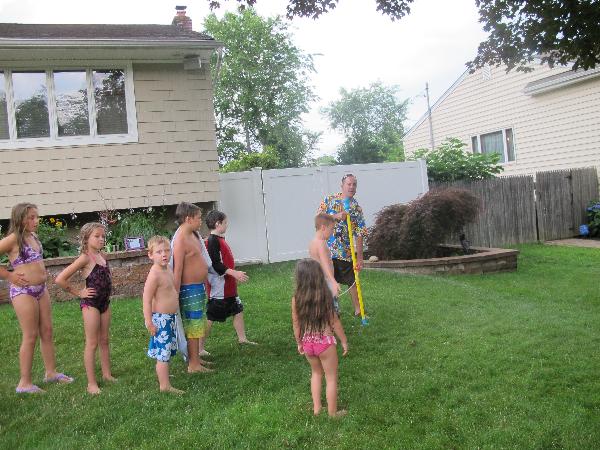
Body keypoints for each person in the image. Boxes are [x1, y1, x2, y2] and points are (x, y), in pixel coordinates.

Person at [0, 203, 73, 394]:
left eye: (36, 217)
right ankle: (24, 383)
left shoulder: (33, 236)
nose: (36, 221)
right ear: (20, 219)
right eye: (31, 218)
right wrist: (9, 276)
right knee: (30, 335)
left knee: (47, 331)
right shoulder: (13, 239)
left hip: (41, 290)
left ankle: (51, 372)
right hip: (23, 292)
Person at [56, 222, 116, 395]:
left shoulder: (102, 256)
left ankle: (107, 374)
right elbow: (60, 279)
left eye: (103, 236)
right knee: (92, 343)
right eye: (96, 236)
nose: (101, 239)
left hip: (105, 303)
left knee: (104, 340)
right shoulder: (85, 258)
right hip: (91, 305)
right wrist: (78, 292)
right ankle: (91, 383)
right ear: (86, 238)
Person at [292, 259, 348, 417]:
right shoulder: (325, 296)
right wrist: (344, 341)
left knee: (316, 374)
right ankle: (332, 413)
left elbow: (296, 323)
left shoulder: (296, 298)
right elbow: (335, 322)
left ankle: (317, 409)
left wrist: (299, 342)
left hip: (308, 343)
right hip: (325, 343)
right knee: (331, 378)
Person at [203, 210, 256, 350]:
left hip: (229, 287)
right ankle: (199, 349)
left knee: (238, 310)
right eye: (225, 222)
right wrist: (234, 273)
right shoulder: (212, 241)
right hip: (219, 289)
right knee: (210, 317)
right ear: (218, 224)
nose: (227, 225)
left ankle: (242, 339)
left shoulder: (219, 239)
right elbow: (215, 264)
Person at [171, 202, 213, 373]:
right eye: (198, 218)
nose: (201, 221)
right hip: (188, 290)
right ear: (188, 219)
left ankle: (196, 358)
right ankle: (193, 365)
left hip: (197, 288)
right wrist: (175, 294)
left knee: (196, 324)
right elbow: (177, 269)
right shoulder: (180, 239)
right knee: (193, 326)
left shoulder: (192, 235)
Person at [317, 173, 368, 316]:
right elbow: (318, 218)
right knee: (328, 280)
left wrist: (359, 258)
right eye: (349, 184)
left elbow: (360, 233)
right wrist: (335, 216)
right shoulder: (329, 200)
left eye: (354, 184)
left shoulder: (356, 208)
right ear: (342, 186)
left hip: (344, 251)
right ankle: (331, 310)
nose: (351, 187)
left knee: (352, 280)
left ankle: (358, 310)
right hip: (326, 249)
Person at [143, 236, 184, 394]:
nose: (164, 254)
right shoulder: (154, 275)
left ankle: (164, 375)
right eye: (159, 252)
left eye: (167, 250)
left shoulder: (167, 269)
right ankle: (164, 385)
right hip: (161, 320)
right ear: (150, 255)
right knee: (163, 354)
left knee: (166, 350)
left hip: (170, 318)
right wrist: (149, 322)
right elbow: (146, 300)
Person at [308, 213, 340, 313]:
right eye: (332, 229)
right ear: (323, 228)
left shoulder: (313, 242)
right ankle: (332, 321)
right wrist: (333, 282)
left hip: (317, 279)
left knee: (321, 308)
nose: (332, 232)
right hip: (326, 280)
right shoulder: (321, 243)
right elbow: (325, 264)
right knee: (332, 310)